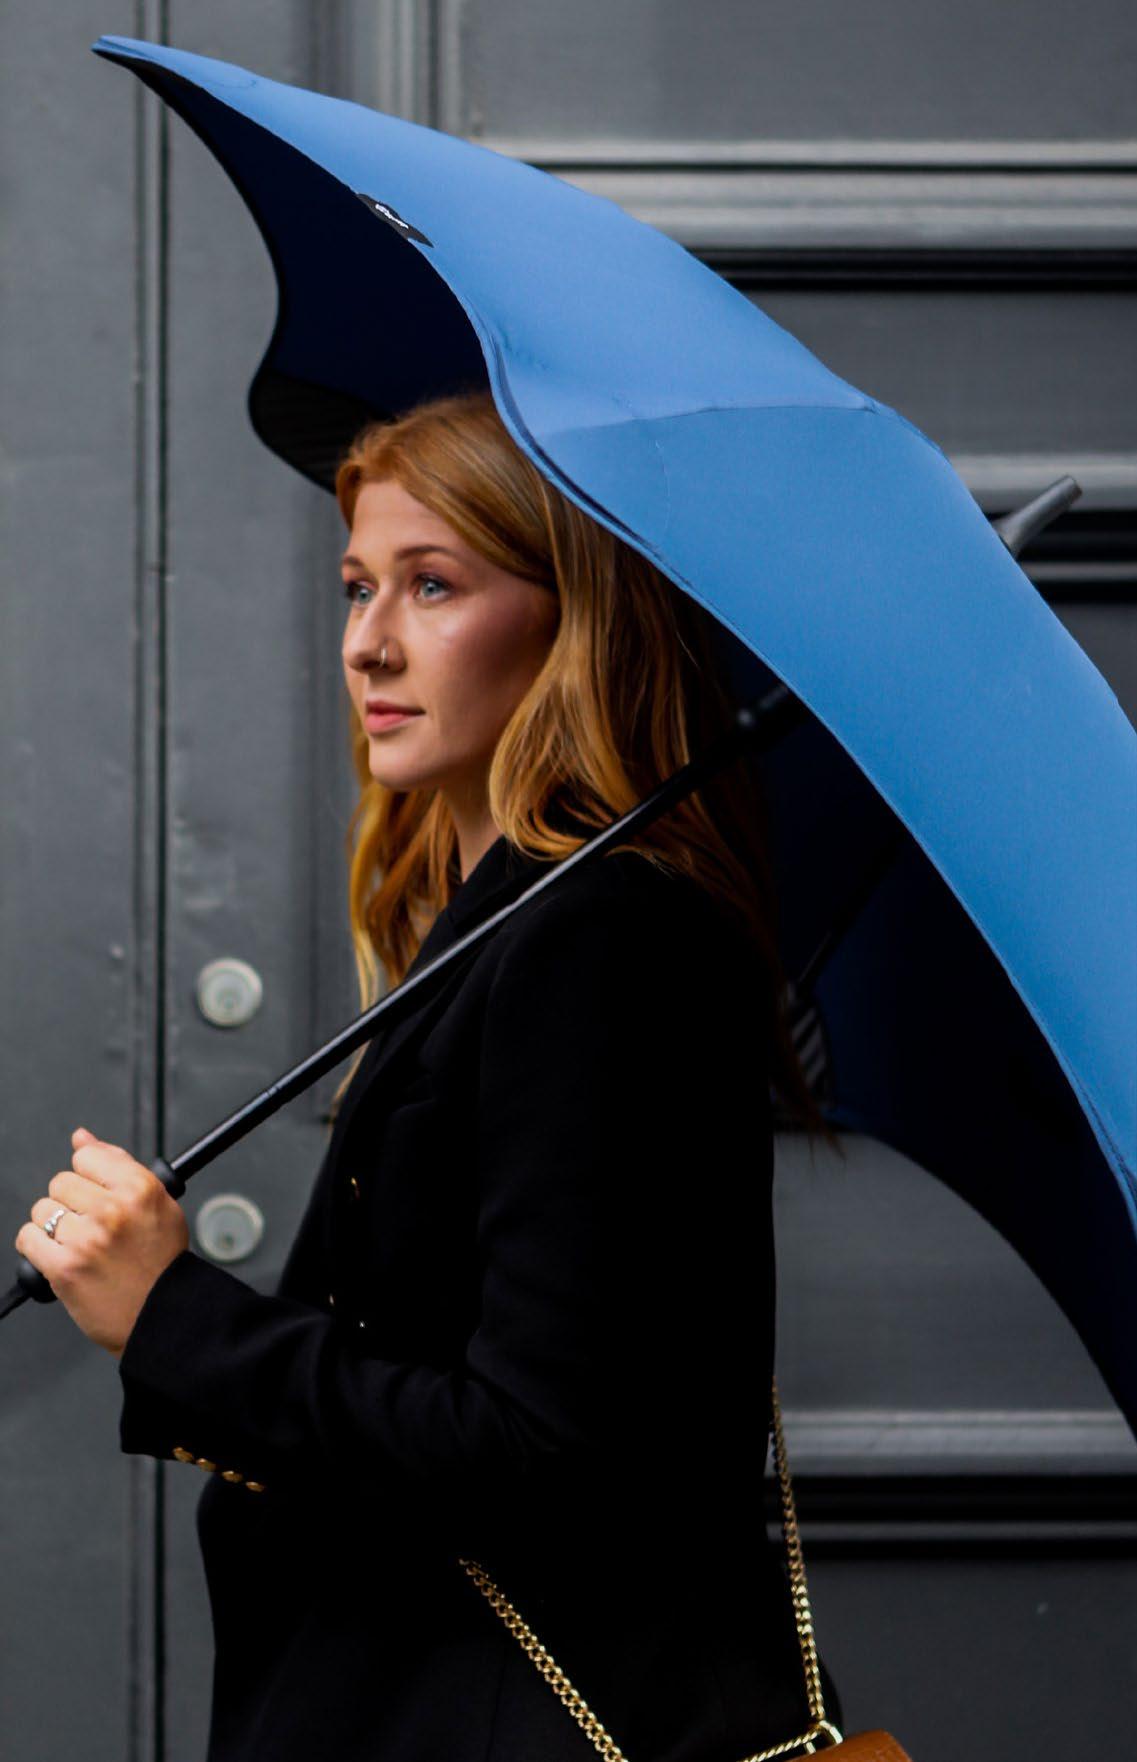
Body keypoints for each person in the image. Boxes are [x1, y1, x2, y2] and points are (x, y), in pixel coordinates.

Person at [15, 389, 844, 1760]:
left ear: (571, 624)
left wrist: (176, 1315)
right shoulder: (500, 929)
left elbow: (543, 1455)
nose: (368, 641)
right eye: (358, 586)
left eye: (434, 584)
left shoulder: (600, 940)